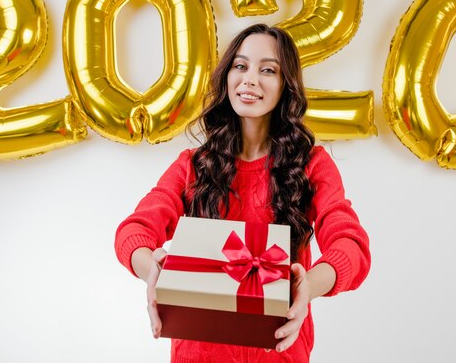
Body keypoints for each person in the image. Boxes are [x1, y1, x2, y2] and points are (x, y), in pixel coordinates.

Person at [114, 23, 371, 363]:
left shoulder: (311, 165)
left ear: (286, 86)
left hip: (278, 351)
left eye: (268, 69)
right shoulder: (193, 165)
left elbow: (350, 246)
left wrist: (307, 286)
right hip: (198, 353)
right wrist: (154, 272)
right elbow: (134, 231)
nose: (250, 79)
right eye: (240, 65)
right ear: (227, 77)